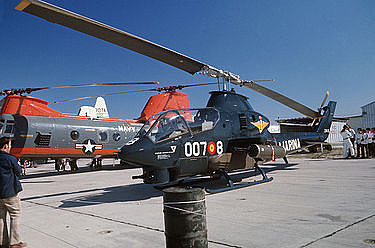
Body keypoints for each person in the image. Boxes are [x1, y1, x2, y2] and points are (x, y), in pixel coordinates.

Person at [0, 137, 27, 248]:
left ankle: (2, 242)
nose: (10, 147)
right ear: (6, 146)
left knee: (0, 217)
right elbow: (18, 171)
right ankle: (14, 243)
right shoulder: (10, 158)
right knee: (15, 215)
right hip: (10, 192)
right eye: (10, 145)